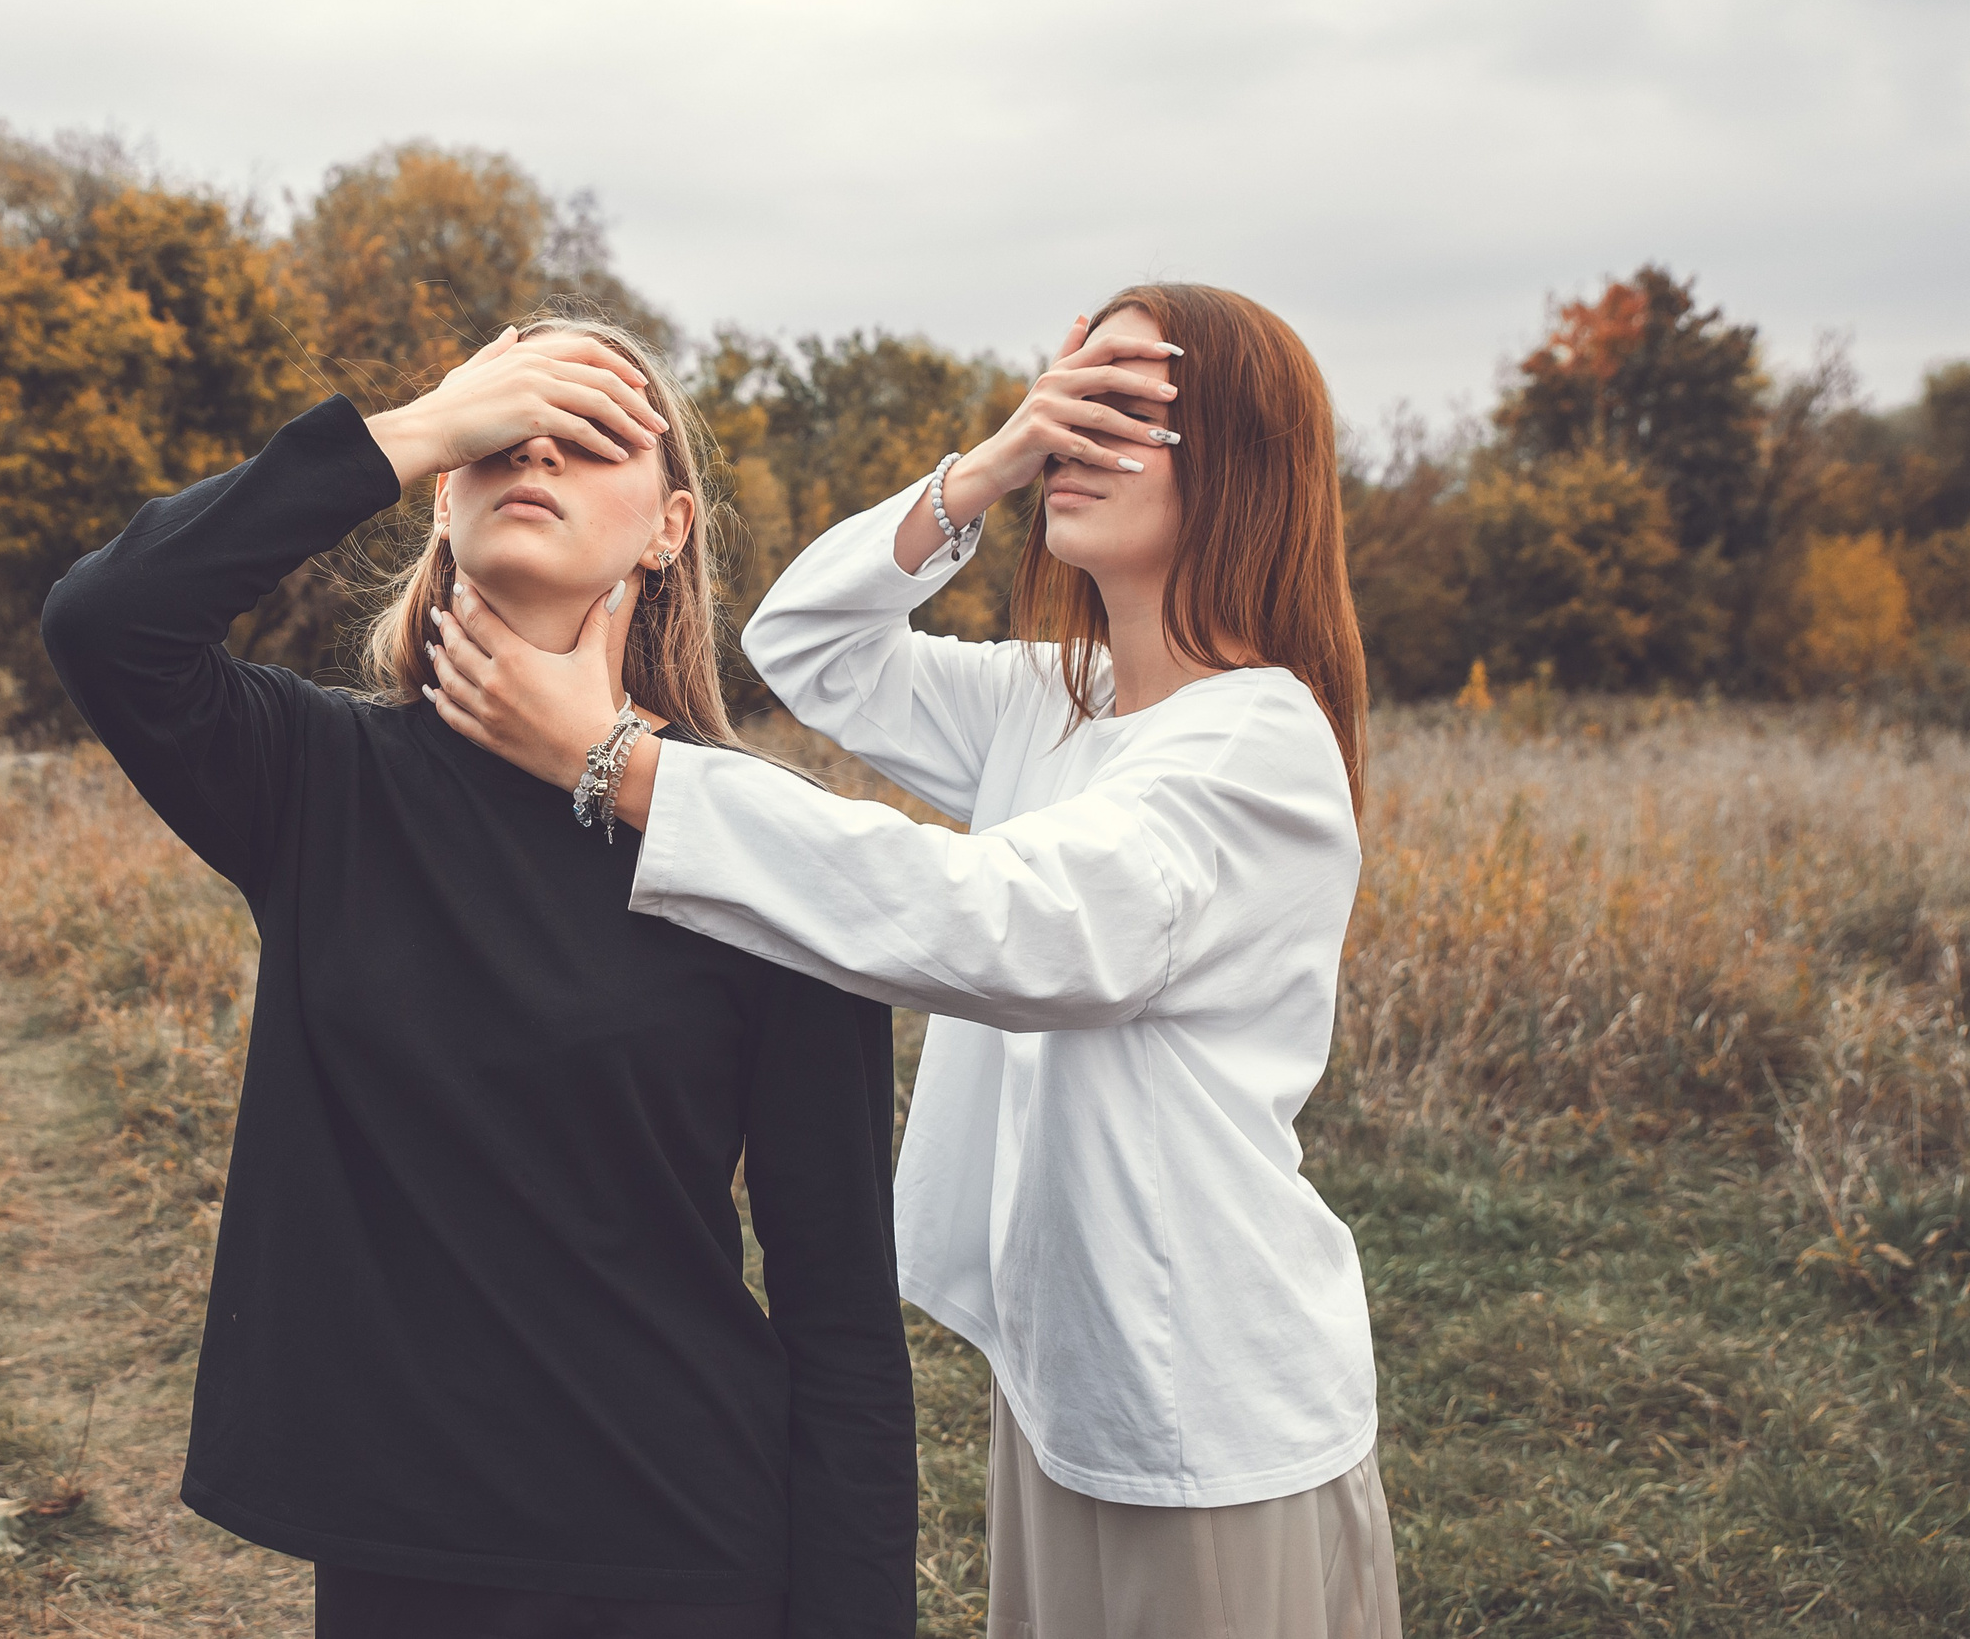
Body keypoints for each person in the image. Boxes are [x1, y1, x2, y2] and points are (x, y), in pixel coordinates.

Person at [426, 284, 1402, 1638]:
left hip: (1213, 1408)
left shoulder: (1259, 749)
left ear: (1244, 459)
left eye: (1120, 409)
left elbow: (999, 921)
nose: (1073, 436)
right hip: (1073, 1380)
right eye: (1066, 399)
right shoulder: (1062, 698)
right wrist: (986, 465)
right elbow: (804, 643)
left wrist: (621, 763)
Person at [40, 315, 918, 1639]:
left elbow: (842, 1307)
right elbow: (107, 621)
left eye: (592, 435)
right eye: (503, 432)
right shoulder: (318, 781)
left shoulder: (757, 841)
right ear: (442, 496)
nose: (537, 452)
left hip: (685, 1550)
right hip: (403, 1556)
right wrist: (412, 427)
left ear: (670, 526)